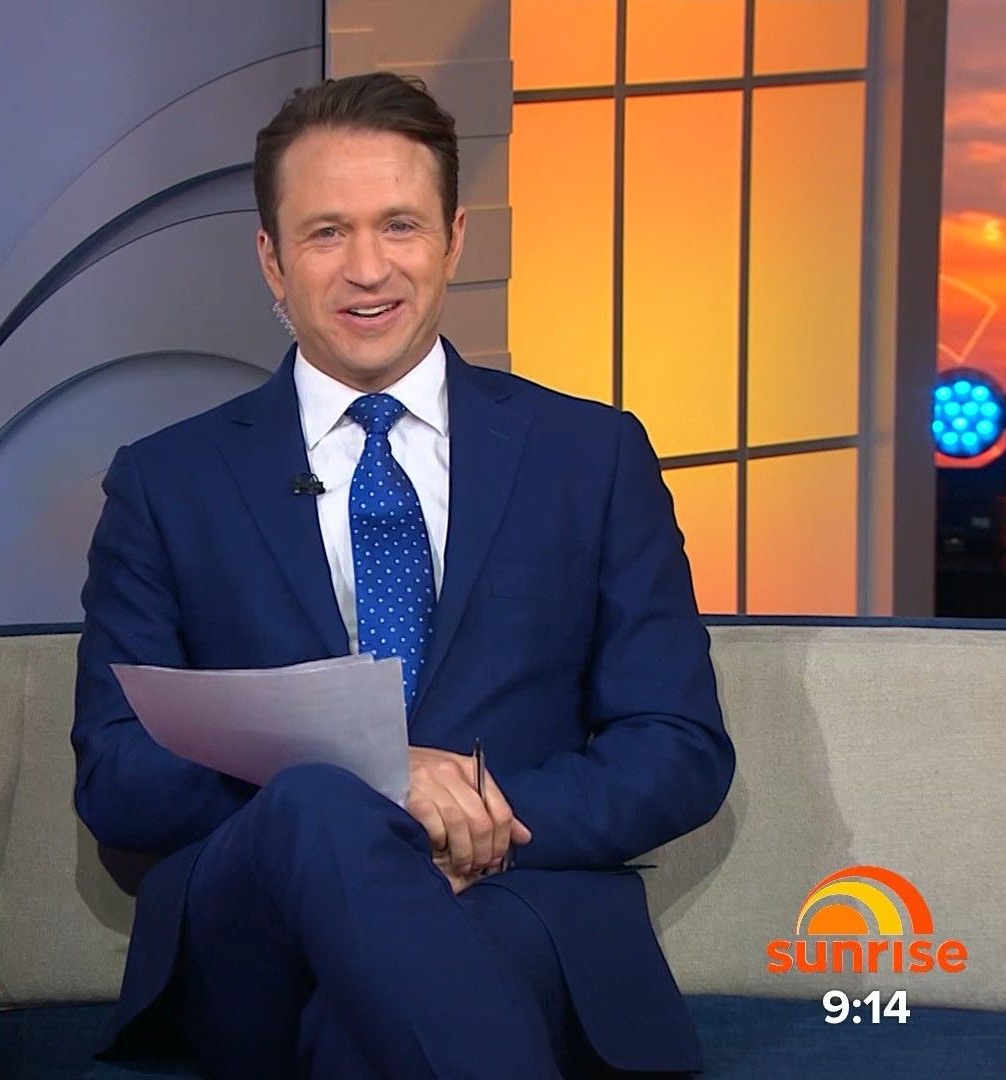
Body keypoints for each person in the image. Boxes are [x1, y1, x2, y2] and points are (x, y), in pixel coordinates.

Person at [73, 73, 736, 1078]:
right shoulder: (167, 482)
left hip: (515, 897)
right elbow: (118, 774)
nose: (368, 268)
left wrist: (474, 818)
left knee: (367, 1020)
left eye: (400, 225)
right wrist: (376, 789)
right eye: (326, 233)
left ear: (453, 239)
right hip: (253, 931)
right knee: (315, 802)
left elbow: (678, 746)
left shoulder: (590, 456)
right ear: (271, 258)